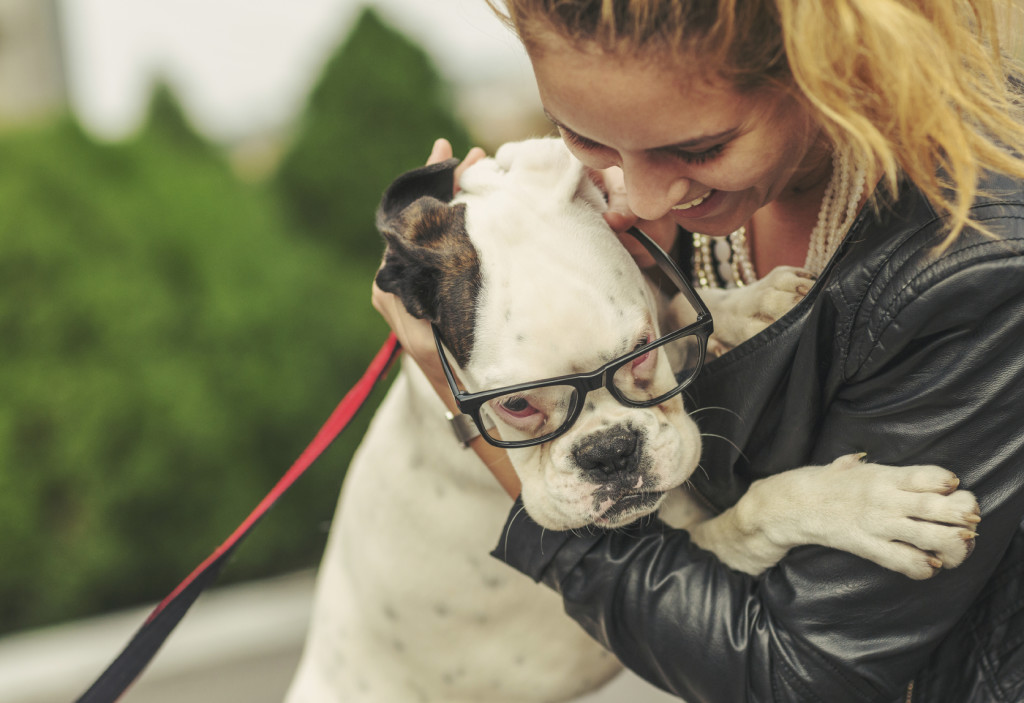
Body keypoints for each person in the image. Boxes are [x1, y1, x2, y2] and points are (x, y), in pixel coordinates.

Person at [371, 1, 1024, 700]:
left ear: (823, 64)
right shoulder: (625, 213)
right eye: (585, 140)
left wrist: (470, 409)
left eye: (699, 149)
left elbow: (789, 674)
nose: (643, 195)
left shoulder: (974, 264)